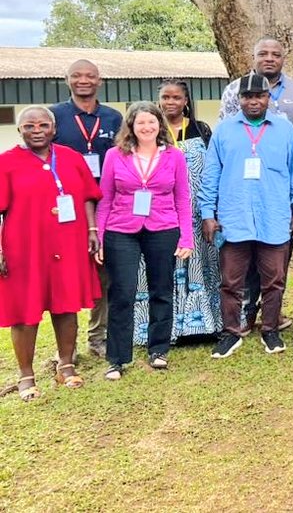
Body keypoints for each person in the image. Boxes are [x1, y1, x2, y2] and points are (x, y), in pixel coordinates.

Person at [219, 37, 293, 333]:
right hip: (243, 190)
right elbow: (226, 137)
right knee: (243, 256)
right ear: (253, 56)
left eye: (275, 54)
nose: (269, 58)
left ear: (284, 58)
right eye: (262, 53)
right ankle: (245, 315)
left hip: (280, 188)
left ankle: (271, 316)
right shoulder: (233, 90)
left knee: (276, 256)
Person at [201, 72, 293, 359]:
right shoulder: (224, 130)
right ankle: (231, 332)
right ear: (239, 99)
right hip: (234, 218)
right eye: (247, 96)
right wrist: (208, 213)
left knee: (275, 279)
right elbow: (211, 174)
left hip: (274, 215)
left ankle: (270, 329)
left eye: (259, 95)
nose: (253, 101)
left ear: (268, 98)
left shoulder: (284, 130)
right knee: (231, 281)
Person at [0, 106, 101, 399]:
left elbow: (86, 198)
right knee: (25, 312)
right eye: (29, 126)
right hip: (24, 247)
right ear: (20, 130)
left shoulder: (70, 158)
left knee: (66, 305)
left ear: (54, 129)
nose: (37, 130)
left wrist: (92, 231)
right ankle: (26, 376)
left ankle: (66, 366)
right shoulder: (7, 163)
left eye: (43, 125)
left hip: (67, 243)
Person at [95, 101, 194, 379]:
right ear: (131, 126)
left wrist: (186, 237)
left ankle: (158, 349)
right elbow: (106, 200)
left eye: (151, 122)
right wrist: (101, 239)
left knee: (161, 290)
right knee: (122, 293)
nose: (147, 127)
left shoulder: (174, 156)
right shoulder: (115, 155)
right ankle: (117, 358)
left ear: (159, 125)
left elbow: (182, 198)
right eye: (140, 123)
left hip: (163, 228)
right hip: (121, 230)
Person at [50, 59, 122, 358]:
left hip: (107, 204)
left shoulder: (113, 118)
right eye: (77, 76)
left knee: (104, 271)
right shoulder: (54, 116)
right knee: (63, 269)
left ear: (99, 81)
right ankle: (65, 346)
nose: (84, 80)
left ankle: (98, 336)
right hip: (64, 206)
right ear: (67, 80)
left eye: (90, 76)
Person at [143, 79, 221, 342]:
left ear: (186, 101)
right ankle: (167, 327)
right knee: (163, 264)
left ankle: (202, 324)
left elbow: (213, 171)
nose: (170, 102)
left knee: (202, 263)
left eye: (176, 97)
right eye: (165, 97)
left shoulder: (201, 129)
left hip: (197, 211)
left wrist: (212, 210)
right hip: (160, 212)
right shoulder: (150, 131)